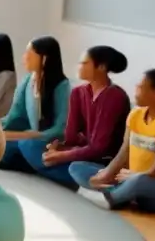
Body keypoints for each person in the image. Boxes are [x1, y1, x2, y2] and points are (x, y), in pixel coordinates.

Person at [70, 67, 155, 214]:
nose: (135, 90)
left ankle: (110, 197)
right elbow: (124, 152)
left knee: (139, 181)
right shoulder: (136, 114)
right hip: (132, 180)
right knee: (77, 167)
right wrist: (105, 175)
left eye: (141, 87)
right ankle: (119, 194)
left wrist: (131, 177)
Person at [19, 46, 131, 189]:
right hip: (81, 151)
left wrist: (61, 156)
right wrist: (58, 147)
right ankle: (67, 176)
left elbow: (99, 148)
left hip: (102, 162)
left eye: (84, 63)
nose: (79, 67)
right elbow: (70, 136)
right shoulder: (78, 92)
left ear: (101, 67)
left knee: (76, 168)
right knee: (27, 144)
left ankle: (74, 177)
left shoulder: (114, 96)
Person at [0, 36, 71, 172]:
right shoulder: (27, 81)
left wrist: (30, 135)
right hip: (27, 138)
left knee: (26, 146)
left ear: (44, 59)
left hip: (47, 142)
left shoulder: (62, 86)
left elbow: (61, 128)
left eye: (29, 54)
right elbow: (15, 115)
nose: (25, 57)